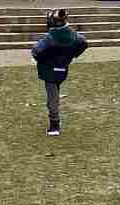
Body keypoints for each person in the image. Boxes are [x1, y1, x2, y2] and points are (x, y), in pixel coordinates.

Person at [30, 9, 88, 137]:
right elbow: (83, 42)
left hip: (49, 69)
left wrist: (42, 58)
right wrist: (72, 55)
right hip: (62, 68)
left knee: (52, 98)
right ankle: (54, 121)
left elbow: (36, 51)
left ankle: (54, 125)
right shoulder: (72, 35)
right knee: (55, 92)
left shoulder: (51, 38)